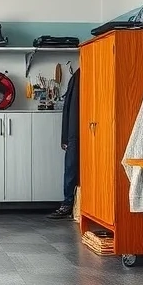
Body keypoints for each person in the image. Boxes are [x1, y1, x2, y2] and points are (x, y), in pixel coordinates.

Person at [47, 67, 80, 219]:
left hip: (82, 130)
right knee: (71, 167)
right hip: (75, 131)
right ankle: (68, 203)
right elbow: (68, 109)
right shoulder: (78, 76)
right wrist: (65, 137)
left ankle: (70, 204)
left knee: (72, 168)